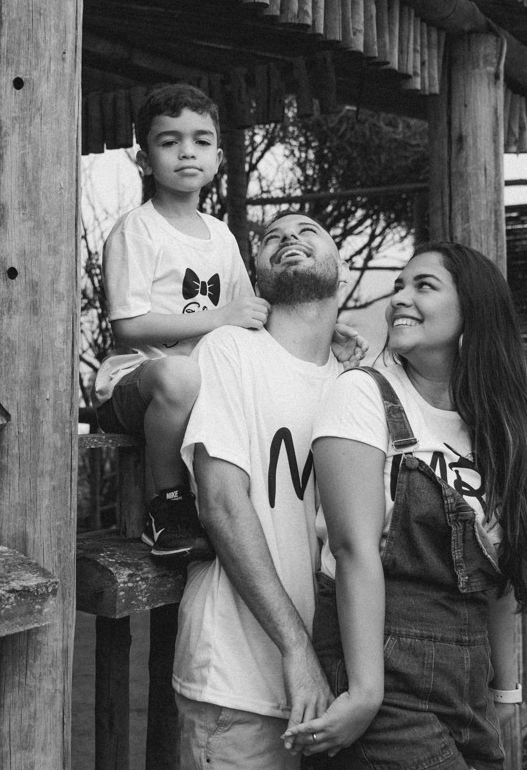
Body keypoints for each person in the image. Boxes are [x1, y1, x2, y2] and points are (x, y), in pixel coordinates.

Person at [287, 242, 527, 769]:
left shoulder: (498, 428)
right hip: (382, 666)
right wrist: (367, 692)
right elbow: (353, 551)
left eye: (424, 286)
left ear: (473, 310)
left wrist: (506, 691)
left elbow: (499, 575)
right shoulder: (363, 395)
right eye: (399, 285)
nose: (401, 298)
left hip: (469, 679)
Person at [94, 84, 365, 561]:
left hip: (198, 387)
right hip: (138, 381)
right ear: (144, 160)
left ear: (218, 158)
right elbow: (128, 326)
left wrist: (323, 331)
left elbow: (251, 311)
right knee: (179, 375)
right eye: (169, 141)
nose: (186, 152)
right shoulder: (138, 229)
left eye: (200, 141)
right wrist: (219, 317)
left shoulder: (219, 234)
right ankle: (168, 506)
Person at [173, 211, 351, 770]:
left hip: (336, 691)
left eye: (307, 232)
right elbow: (222, 503)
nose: (289, 239)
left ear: (340, 267)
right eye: (272, 237)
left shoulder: (355, 384)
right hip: (238, 680)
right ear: (257, 273)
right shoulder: (231, 351)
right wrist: (295, 649)